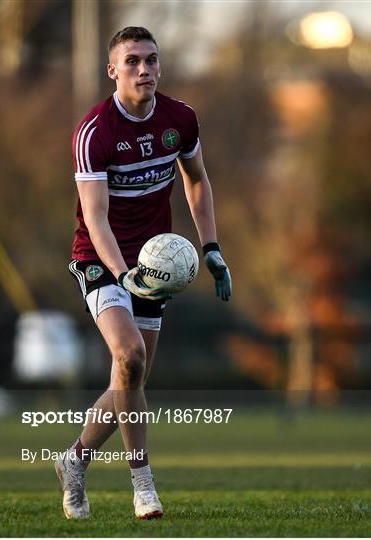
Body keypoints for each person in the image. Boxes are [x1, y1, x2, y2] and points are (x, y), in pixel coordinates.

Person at [55, 26, 232, 521]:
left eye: (151, 60)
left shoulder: (181, 119)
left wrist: (212, 248)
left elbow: (197, 181)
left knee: (131, 375)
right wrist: (120, 274)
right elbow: (95, 216)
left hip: (155, 266)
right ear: (112, 70)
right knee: (128, 353)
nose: (144, 69)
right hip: (100, 257)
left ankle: (75, 460)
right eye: (132, 61)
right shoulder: (95, 131)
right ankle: (143, 483)